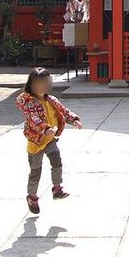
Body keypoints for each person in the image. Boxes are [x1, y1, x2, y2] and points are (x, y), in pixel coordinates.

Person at [16, 67, 82, 214]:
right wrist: (45, 128)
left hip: (50, 139)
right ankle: (32, 197)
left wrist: (74, 120)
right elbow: (33, 119)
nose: (42, 87)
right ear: (31, 84)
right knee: (35, 171)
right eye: (39, 83)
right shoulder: (29, 103)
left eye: (45, 83)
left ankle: (57, 188)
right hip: (37, 142)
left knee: (57, 162)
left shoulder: (52, 100)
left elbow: (63, 112)